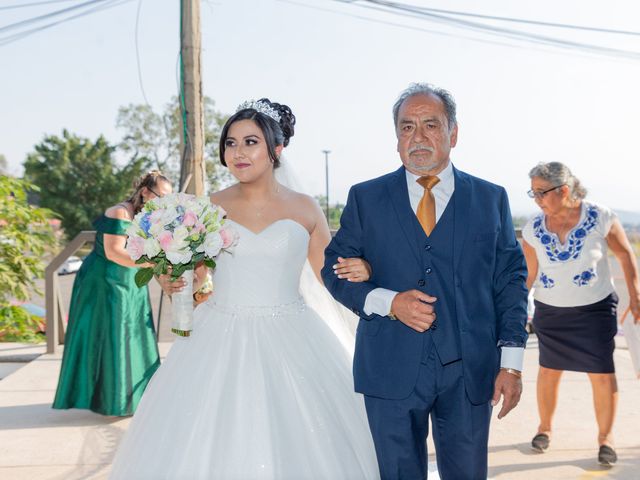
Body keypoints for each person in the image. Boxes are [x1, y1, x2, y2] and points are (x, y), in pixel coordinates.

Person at [108, 99, 380, 479]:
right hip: (217, 333)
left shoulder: (305, 208)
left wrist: (367, 274)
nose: (238, 152)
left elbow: (328, 276)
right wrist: (173, 279)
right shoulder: (206, 208)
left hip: (294, 334)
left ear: (277, 149)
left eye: (250, 141)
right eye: (230, 143)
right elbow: (194, 273)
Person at [322, 83, 529, 479]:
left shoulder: (491, 199)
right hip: (389, 368)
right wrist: (387, 300)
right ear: (396, 138)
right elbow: (333, 269)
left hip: (470, 370)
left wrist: (513, 364)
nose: (417, 137)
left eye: (430, 125)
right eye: (406, 127)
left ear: (453, 134)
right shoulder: (366, 197)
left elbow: (510, 282)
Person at [522, 161, 640, 466]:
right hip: (551, 313)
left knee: (601, 375)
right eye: (532, 193)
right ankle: (544, 429)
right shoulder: (534, 228)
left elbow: (625, 254)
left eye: (540, 193)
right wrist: (517, 307)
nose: (536, 200)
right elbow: (529, 274)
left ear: (563, 190)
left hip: (595, 312)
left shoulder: (599, 216)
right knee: (548, 370)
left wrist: (636, 295)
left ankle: (606, 439)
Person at [53, 171, 172, 416]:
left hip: (130, 281)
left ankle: (136, 399)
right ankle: (112, 401)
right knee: (112, 337)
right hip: (104, 281)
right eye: (160, 197)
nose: (163, 204)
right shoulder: (119, 212)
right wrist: (153, 262)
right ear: (145, 192)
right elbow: (114, 252)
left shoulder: (148, 216)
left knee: (134, 336)